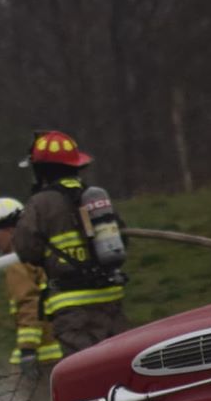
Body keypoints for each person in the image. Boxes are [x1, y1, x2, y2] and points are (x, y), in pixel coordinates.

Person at [13, 130, 130, 355]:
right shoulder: (94, 196)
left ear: (41, 170)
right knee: (118, 365)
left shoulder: (40, 203)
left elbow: (26, 249)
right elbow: (122, 236)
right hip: (112, 301)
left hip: (73, 309)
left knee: (85, 375)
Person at [0, 197, 62, 379]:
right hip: (62, 350)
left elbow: (29, 305)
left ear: (11, 230)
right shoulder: (41, 252)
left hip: (42, 360)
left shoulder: (17, 263)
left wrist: (27, 351)